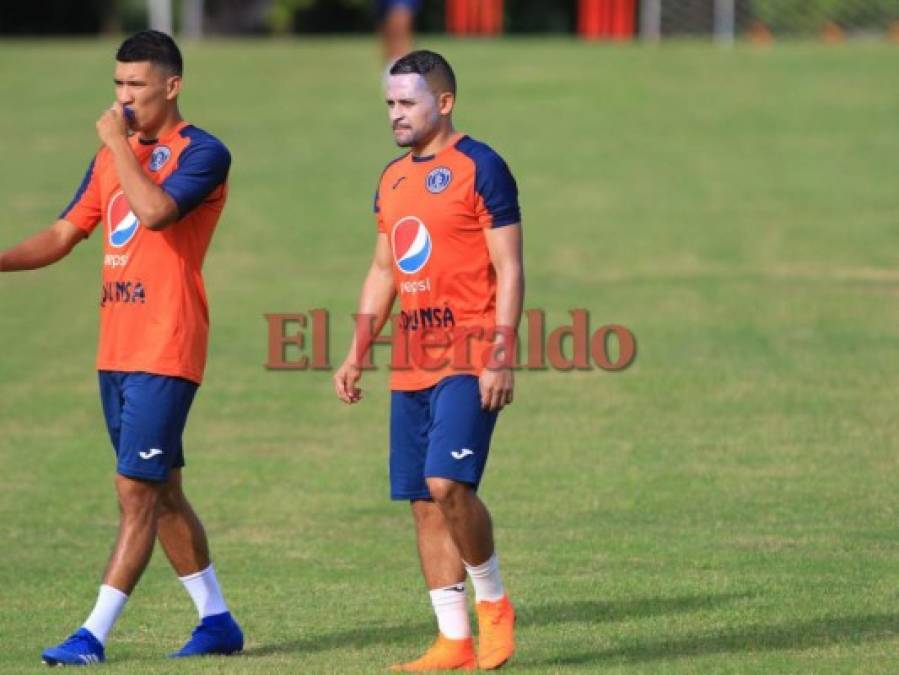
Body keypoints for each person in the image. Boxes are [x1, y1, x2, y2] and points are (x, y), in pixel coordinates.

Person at [0, 30, 243, 666]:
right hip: (116, 349)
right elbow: (63, 232)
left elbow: (157, 211)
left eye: (136, 85)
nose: (124, 98)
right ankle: (217, 621)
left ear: (173, 85)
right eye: (118, 85)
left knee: (135, 490)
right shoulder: (116, 155)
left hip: (167, 346)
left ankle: (92, 635)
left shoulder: (204, 153)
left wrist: (116, 143)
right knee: (160, 491)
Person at [334, 50, 523, 671]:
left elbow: (509, 267)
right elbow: (385, 268)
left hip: (470, 354)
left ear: (443, 103)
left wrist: (502, 352)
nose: (396, 114)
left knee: (449, 485)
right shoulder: (391, 178)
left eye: (407, 102)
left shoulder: (482, 166)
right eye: (390, 103)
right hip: (411, 362)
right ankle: (453, 640)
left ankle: (493, 603)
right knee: (422, 499)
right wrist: (358, 351)